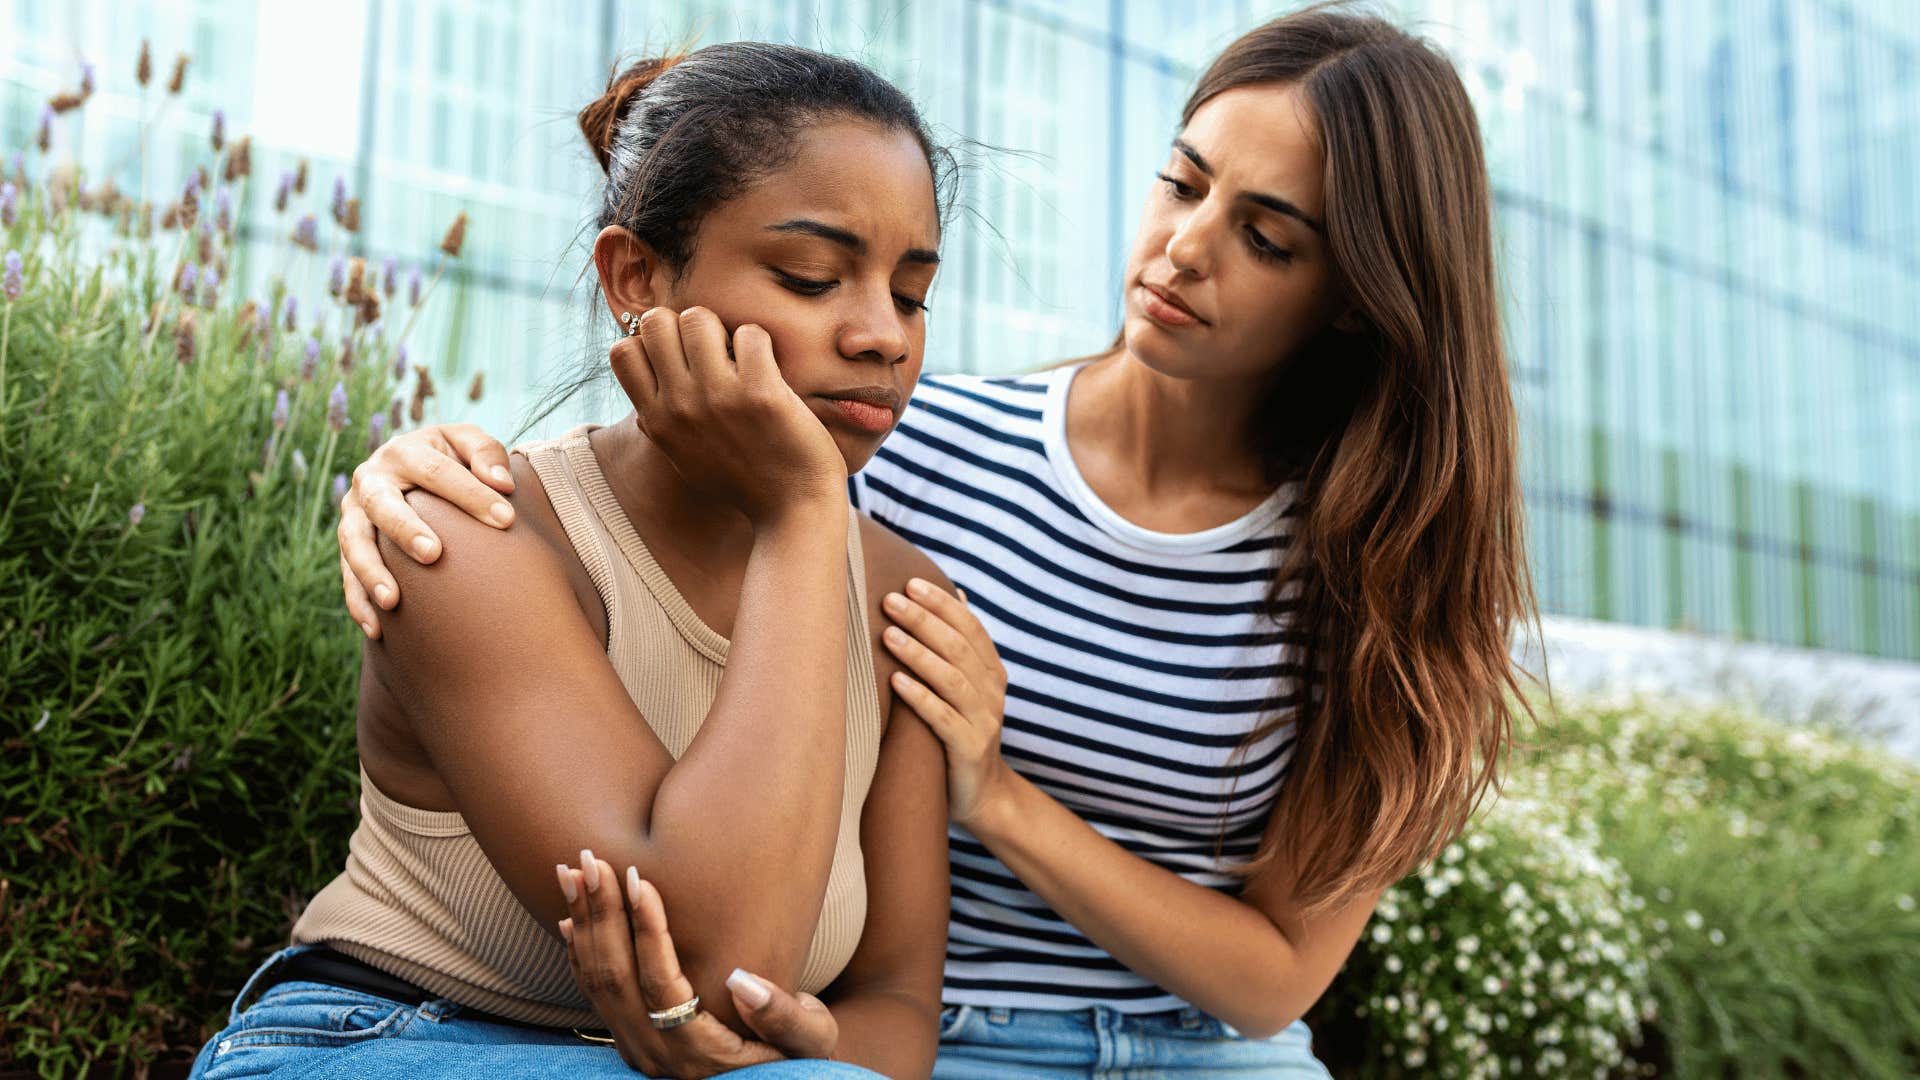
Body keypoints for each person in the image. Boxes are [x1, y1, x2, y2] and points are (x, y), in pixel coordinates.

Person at [337, 10, 1534, 1077]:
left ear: (1357, 292)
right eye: (1182, 184)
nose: (1183, 248)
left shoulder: (1391, 579)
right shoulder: (896, 448)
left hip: (1210, 1052)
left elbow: (1274, 972)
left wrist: (997, 794)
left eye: (1268, 238)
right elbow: (673, 486)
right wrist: (406, 469)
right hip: (959, 1038)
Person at [192, 42, 964, 1080]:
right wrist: (801, 510)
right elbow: (716, 953)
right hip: (387, 1041)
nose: (883, 336)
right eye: (812, 277)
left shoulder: (903, 601)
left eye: (912, 295)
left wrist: (796, 1045)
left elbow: (900, 1013)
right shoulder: (469, 533)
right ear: (635, 277)